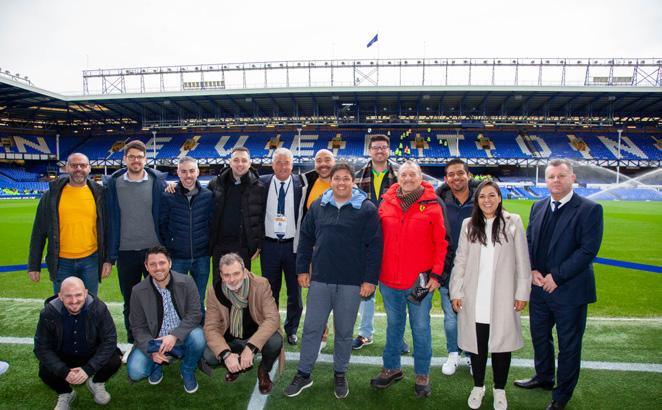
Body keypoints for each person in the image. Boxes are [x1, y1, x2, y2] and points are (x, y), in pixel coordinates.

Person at [284, 163, 382, 399]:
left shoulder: (366, 208)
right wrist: (302, 269)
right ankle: (304, 373)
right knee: (312, 328)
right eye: (337, 178)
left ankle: (340, 372)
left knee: (345, 332)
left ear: (353, 182)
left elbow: (375, 246)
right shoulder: (319, 205)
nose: (341, 182)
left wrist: (370, 280)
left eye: (346, 178)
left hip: (351, 281)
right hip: (321, 279)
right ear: (332, 181)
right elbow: (305, 237)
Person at [515, 159, 603, 410]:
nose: (556, 180)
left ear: (572, 178)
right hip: (539, 288)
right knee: (540, 337)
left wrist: (557, 276)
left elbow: (588, 250)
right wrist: (532, 269)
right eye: (551, 176)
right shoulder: (538, 206)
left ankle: (561, 396)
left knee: (569, 346)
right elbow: (528, 241)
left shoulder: (589, 209)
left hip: (570, 291)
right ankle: (544, 377)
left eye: (561, 176)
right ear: (545, 180)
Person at [450, 180, 531, 410]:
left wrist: (522, 292)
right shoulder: (468, 225)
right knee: (476, 345)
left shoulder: (513, 222)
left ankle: (499, 389)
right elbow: (460, 260)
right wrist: (456, 290)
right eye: (482, 196)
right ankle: (478, 386)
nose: (487, 200)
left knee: (501, 345)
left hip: (503, 296)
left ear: (499, 198)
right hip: (474, 295)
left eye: (492, 195)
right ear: (477, 200)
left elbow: (522, 260)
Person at [371, 160, 448, 397]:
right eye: (403, 174)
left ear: (420, 177)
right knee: (394, 325)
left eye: (412, 174)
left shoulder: (433, 204)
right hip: (389, 280)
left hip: (420, 282)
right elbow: (375, 239)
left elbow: (441, 242)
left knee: (421, 327)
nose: (407, 178)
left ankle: (422, 373)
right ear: (398, 177)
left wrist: (436, 274)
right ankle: (392, 368)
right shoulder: (385, 203)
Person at [104, 140, 167, 350]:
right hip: (126, 252)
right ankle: (134, 343)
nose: (136, 160)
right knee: (130, 301)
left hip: (153, 252)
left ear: (145, 159)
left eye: (140, 157)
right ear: (125, 159)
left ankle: (159, 340)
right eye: (131, 157)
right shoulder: (113, 184)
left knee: (158, 298)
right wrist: (109, 256)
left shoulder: (157, 182)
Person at [28, 153, 110, 296]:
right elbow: (38, 232)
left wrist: (107, 260)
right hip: (61, 262)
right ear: (66, 168)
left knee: (90, 303)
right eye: (74, 165)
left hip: (91, 260)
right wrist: (34, 265)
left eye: (83, 165)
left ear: (89, 168)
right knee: (63, 303)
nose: (78, 169)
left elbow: (108, 230)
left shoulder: (100, 195)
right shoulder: (51, 196)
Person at [126, 246, 206, 394]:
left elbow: (195, 314)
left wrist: (174, 335)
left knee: (199, 337)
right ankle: (156, 367)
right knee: (136, 371)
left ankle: (187, 369)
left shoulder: (187, 281)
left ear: (170, 263)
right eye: (153, 264)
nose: (158, 268)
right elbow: (137, 327)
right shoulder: (138, 291)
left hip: (182, 336)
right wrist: (152, 350)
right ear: (146, 267)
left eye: (162, 263)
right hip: (154, 340)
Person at [34, 277, 122, 409]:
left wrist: (88, 369)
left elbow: (109, 340)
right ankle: (66, 392)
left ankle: (96, 382)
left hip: (91, 353)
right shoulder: (49, 313)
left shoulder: (99, 308)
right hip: (63, 356)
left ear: (85, 293)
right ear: (60, 296)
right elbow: (41, 347)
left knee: (114, 360)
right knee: (45, 371)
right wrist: (64, 371)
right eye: (68, 296)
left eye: (78, 295)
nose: (74, 300)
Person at [203, 253, 283, 394]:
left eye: (236, 273)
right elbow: (211, 327)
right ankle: (234, 365)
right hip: (230, 338)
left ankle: (264, 370)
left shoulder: (260, 284)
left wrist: (251, 347)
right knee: (209, 355)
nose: (232, 280)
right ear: (221, 275)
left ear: (244, 271)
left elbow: (272, 318)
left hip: (255, 335)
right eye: (227, 275)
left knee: (275, 341)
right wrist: (226, 355)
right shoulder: (214, 291)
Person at [352, 135, 401, 351]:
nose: (379, 151)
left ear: (389, 150)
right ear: (369, 150)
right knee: (366, 289)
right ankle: (365, 333)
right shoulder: (357, 176)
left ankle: (397, 336)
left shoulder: (400, 175)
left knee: (394, 293)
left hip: (394, 239)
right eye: (375, 147)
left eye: (383, 147)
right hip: (366, 240)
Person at [435, 158, 479, 375]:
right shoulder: (438, 202)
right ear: (446, 178)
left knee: (472, 315)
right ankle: (453, 353)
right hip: (448, 268)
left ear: (468, 175)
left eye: (460, 173)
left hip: (475, 268)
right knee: (451, 317)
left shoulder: (482, 199)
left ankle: (471, 355)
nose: (456, 177)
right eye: (451, 174)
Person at [259, 148, 305, 345]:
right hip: (269, 245)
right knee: (270, 292)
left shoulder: (302, 184)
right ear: (272, 165)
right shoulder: (261, 183)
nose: (283, 166)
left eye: (286, 162)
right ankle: (272, 327)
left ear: (292, 165)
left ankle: (291, 329)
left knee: (295, 291)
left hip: (293, 246)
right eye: (278, 162)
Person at [159, 156, 214, 319]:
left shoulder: (208, 196)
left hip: (201, 256)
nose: (188, 175)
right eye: (183, 171)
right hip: (177, 257)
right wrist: (170, 246)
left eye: (191, 171)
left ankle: (199, 329)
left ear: (198, 172)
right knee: (177, 299)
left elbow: (211, 223)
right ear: (178, 173)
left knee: (198, 299)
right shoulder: (168, 196)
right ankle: (179, 331)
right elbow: (162, 225)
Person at [208, 147, 266, 285]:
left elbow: (262, 218)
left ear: (250, 163)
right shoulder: (215, 184)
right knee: (219, 286)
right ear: (230, 162)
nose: (240, 164)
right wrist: (174, 186)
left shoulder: (259, 187)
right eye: (236, 160)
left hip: (243, 247)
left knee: (242, 287)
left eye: (244, 160)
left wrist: (258, 244)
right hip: (219, 246)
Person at [300, 148, 336, 349]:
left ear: (334, 161)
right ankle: (321, 333)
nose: (323, 164)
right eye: (319, 160)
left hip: (340, 250)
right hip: (316, 249)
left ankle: (342, 337)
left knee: (341, 295)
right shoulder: (307, 182)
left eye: (327, 160)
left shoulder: (344, 182)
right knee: (317, 295)